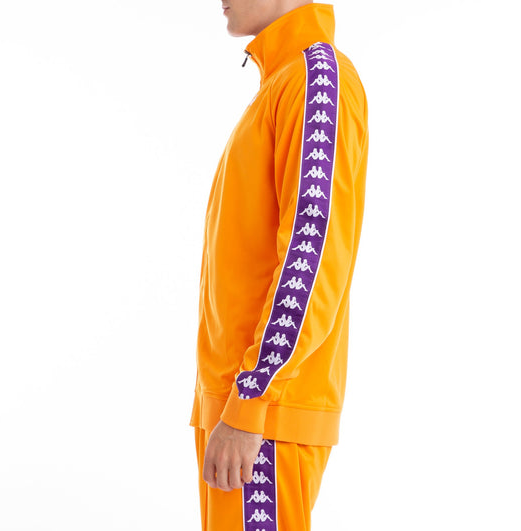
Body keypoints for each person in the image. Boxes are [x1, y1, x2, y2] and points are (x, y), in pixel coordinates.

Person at [189, 1, 369, 529]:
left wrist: (250, 399)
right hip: (242, 414)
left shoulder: (315, 81)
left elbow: (312, 256)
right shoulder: (285, 81)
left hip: (262, 420)